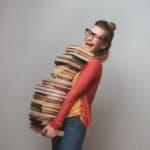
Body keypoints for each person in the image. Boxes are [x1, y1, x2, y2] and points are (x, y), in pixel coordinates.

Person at [42, 19, 116, 150]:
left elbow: (73, 94)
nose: (89, 38)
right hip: (61, 116)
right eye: (89, 32)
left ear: (104, 44)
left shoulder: (94, 64)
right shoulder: (79, 60)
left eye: (95, 36)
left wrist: (55, 124)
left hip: (74, 121)